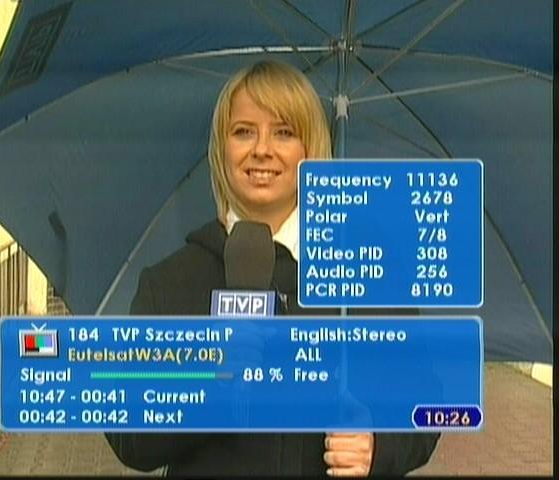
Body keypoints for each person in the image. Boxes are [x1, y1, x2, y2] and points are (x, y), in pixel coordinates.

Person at [105, 60, 440, 476]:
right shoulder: (169, 283)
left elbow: (425, 405)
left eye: (283, 132)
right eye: (243, 131)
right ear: (221, 149)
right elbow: (129, 435)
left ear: (310, 149)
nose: (262, 149)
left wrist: (378, 447)